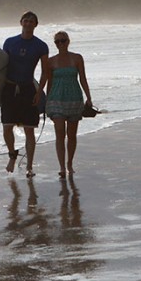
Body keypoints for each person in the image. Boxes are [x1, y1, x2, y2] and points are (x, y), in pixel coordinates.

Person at [1, 11, 49, 178]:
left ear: (36, 25)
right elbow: (0, 68)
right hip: (9, 88)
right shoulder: (9, 42)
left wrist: (38, 91)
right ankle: (12, 155)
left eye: (31, 21)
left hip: (28, 89)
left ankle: (29, 166)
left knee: (29, 130)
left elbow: (45, 72)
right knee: (7, 127)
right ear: (21, 22)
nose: (28, 24)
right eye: (26, 21)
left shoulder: (41, 46)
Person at [45, 31, 92, 178]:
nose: (60, 44)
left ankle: (69, 163)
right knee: (60, 132)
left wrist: (89, 98)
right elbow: (49, 82)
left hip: (74, 98)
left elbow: (83, 79)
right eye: (57, 42)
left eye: (63, 41)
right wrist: (46, 101)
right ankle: (61, 166)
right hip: (56, 99)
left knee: (71, 135)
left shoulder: (77, 58)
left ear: (68, 41)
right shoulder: (51, 61)